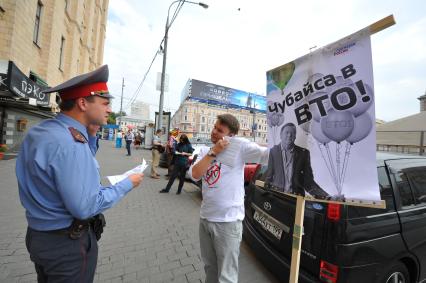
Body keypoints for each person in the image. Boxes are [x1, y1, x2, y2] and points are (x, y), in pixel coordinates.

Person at [15, 65, 144, 283]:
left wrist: (91, 135)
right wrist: (127, 184)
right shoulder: (71, 144)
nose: (110, 109)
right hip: (66, 245)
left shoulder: (44, 130)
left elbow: (71, 167)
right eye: (105, 103)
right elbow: (85, 206)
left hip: (39, 236)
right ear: (83, 103)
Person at [188, 114, 269, 283]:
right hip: (206, 219)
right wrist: (213, 152)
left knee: (226, 275)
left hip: (228, 222)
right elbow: (195, 174)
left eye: (220, 130)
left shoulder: (240, 148)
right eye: (214, 127)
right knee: (210, 268)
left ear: (230, 136)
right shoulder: (203, 151)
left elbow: (266, 155)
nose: (214, 132)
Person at [265, 122, 329, 198]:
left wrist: (327, 197)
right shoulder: (273, 151)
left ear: (295, 136)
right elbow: (269, 177)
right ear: (281, 135)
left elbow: (309, 182)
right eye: (287, 132)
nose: (289, 135)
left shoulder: (303, 154)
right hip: (277, 197)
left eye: (292, 133)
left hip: (296, 199)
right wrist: (266, 196)